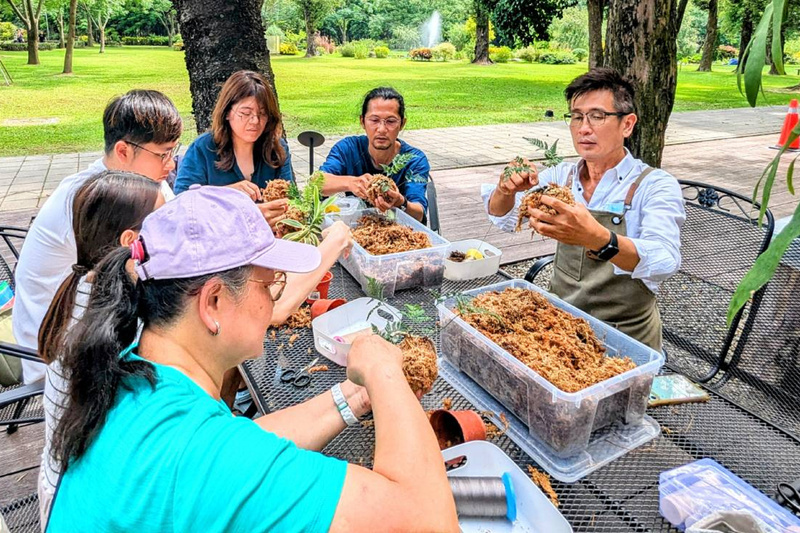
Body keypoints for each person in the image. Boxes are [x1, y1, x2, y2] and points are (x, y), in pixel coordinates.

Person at [46, 186, 458, 532]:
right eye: (269, 282)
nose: (275, 297)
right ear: (213, 302)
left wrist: (353, 397)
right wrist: (382, 368)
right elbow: (427, 522)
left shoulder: (131, 369)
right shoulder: (208, 460)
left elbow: (242, 443)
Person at [483, 68, 685, 351]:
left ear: (627, 125)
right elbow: (502, 217)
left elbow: (665, 260)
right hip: (558, 324)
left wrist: (599, 239)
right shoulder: (561, 177)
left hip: (625, 339)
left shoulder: (654, 185)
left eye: (597, 116)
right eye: (576, 116)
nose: (583, 128)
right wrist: (505, 190)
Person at [13, 89, 182, 384]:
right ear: (123, 151)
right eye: (163, 153)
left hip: (102, 324)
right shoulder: (90, 203)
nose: (170, 165)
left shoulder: (145, 182)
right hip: (62, 349)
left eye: (174, 152)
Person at [36, 171, 164, 527]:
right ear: (131, 240)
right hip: (85, 503)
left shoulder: (80, 286)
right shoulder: (116, 321)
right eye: (165, 223)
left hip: (60, 480)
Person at [174, 70, 291, 229]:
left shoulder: (277, 148)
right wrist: (227, 195)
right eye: (245, 113)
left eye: (263, 114)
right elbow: (179, 206)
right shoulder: (203, 148)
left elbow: (291, 199)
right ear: (227, 112)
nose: (255, 121)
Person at [320, 87, 430, 222]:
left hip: (399, 230)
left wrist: (401, 202)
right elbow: (317, 183)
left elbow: (419, 214)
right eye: (374, 120)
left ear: (402, 124)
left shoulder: (415, 160)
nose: (382, 129)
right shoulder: (347, 149)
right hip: (356, 227)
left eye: (391, 121)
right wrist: (351, 183)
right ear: (362, 121)